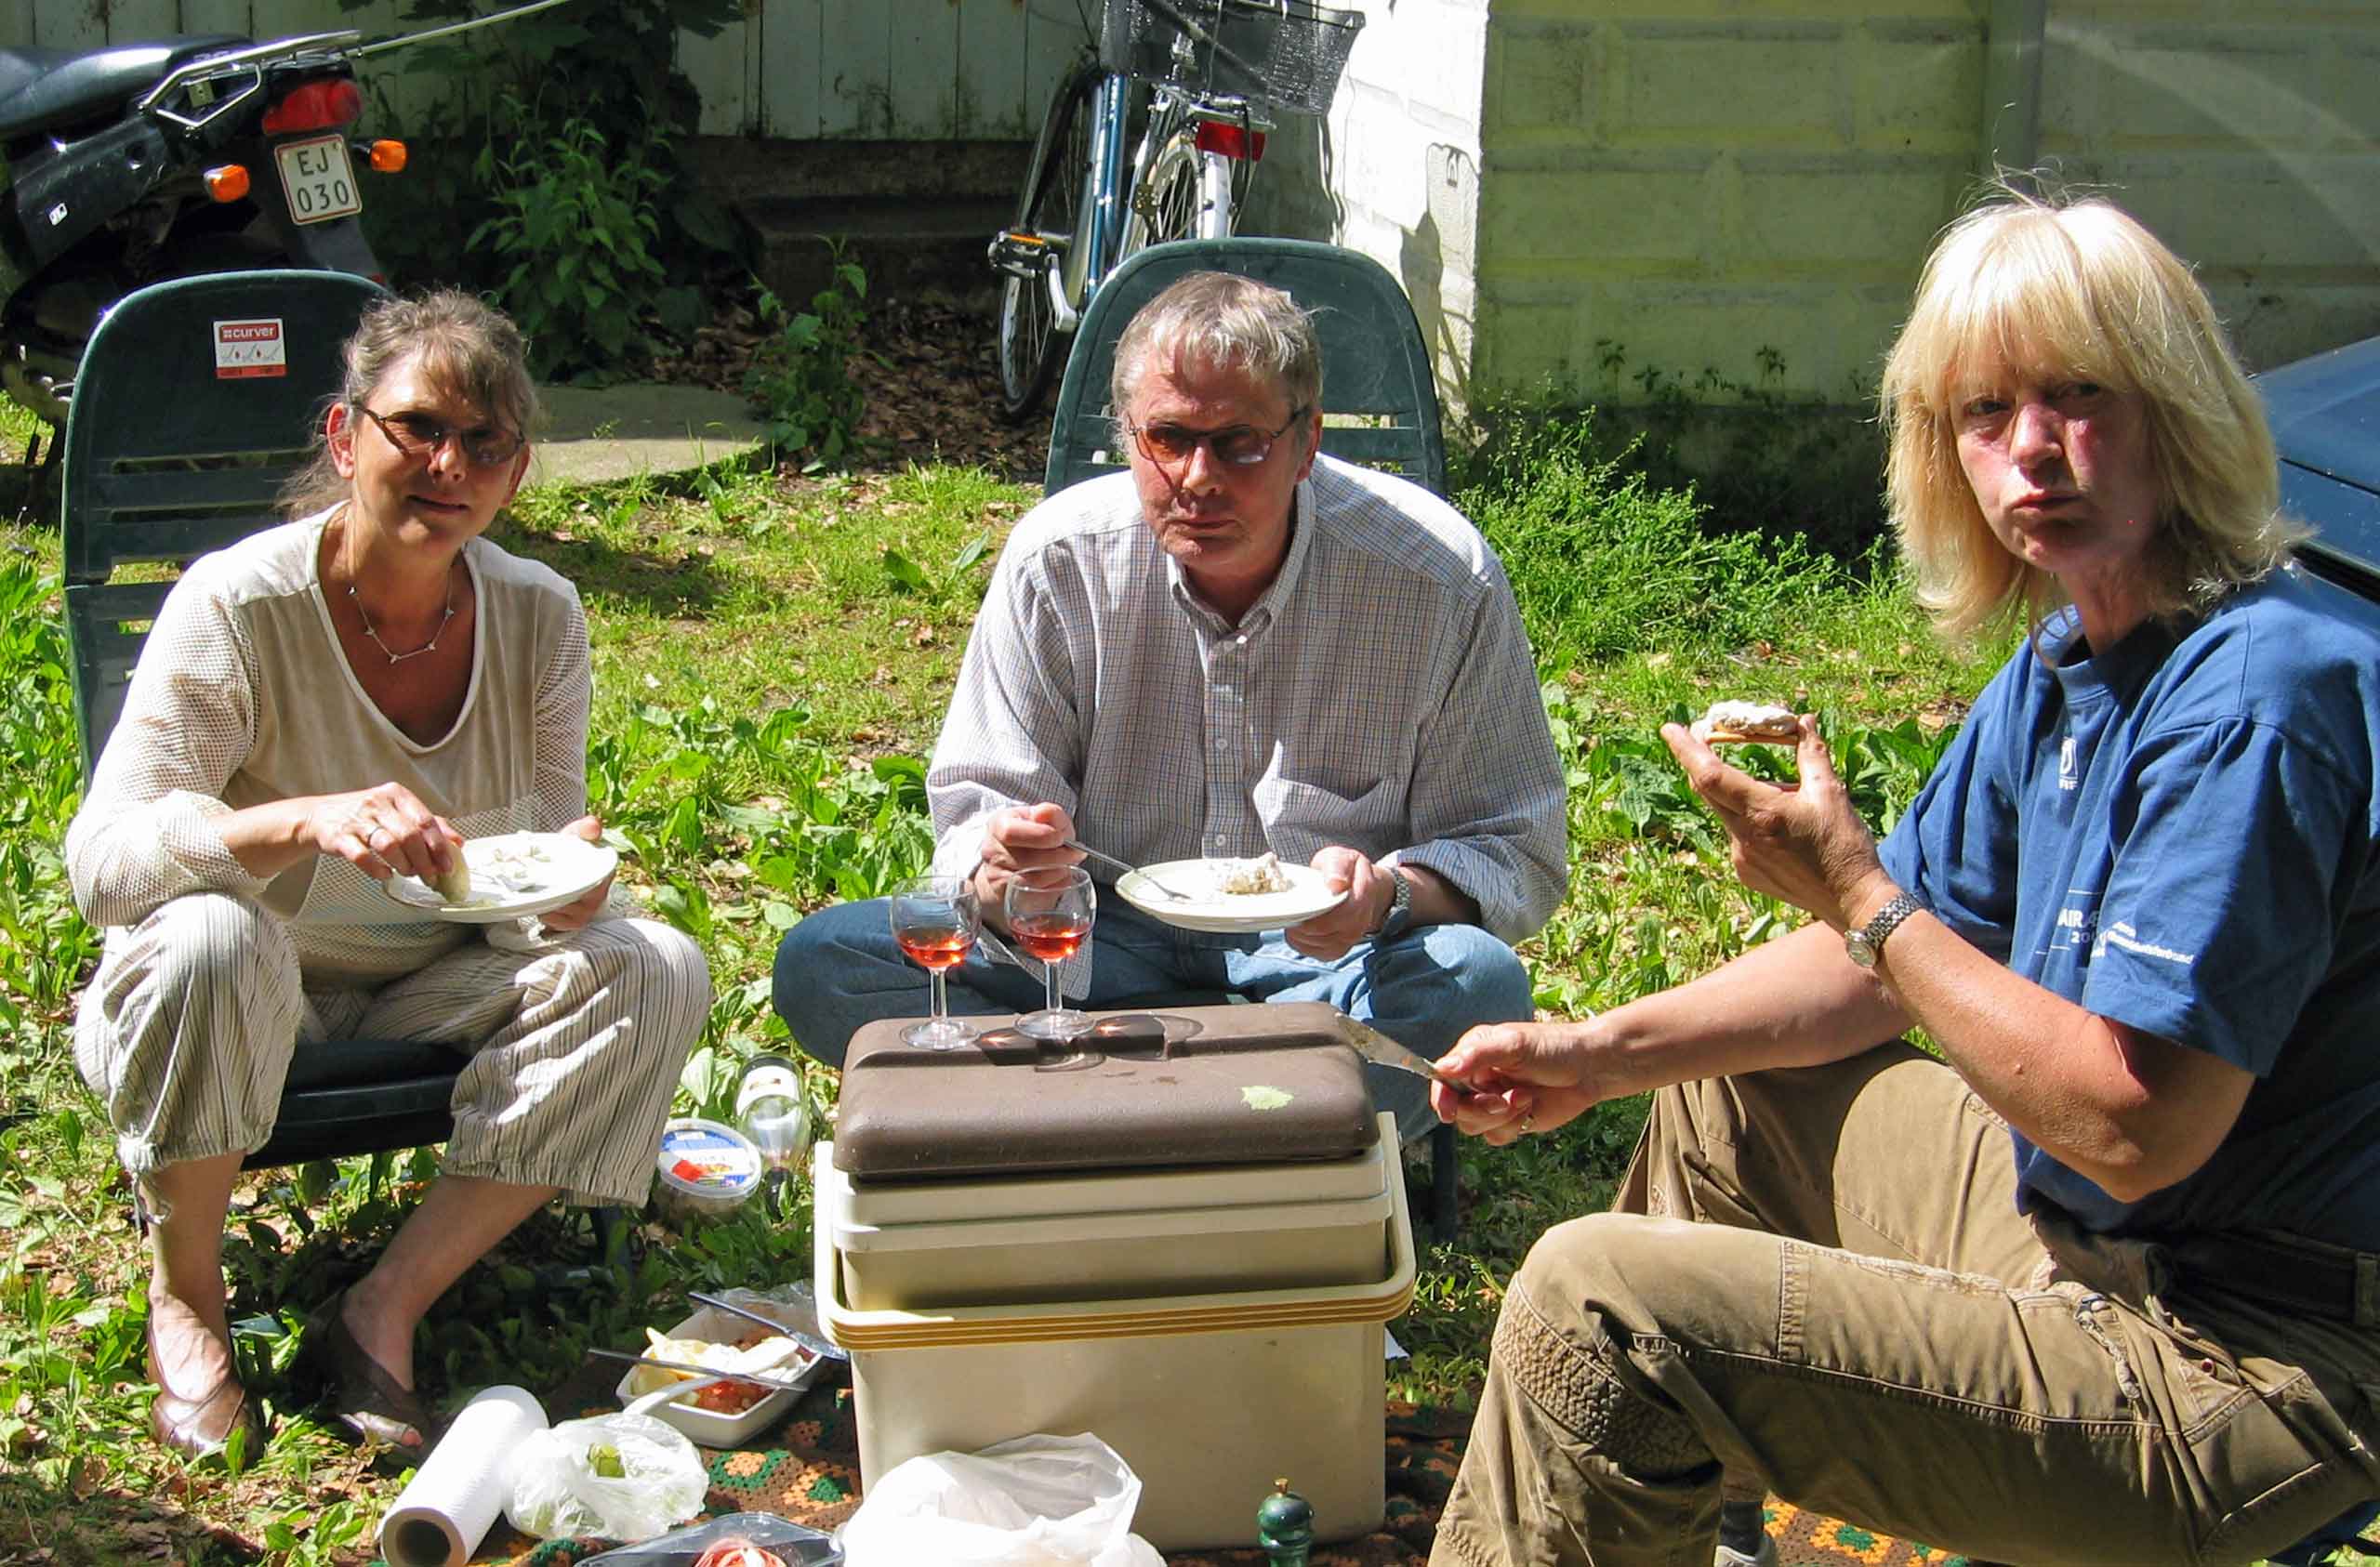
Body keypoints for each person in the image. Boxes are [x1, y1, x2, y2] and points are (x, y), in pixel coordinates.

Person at [1426, 188, 2380, 1567]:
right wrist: (1592, 1048)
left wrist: (1867, 898)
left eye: (2077, 395)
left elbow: (2132, 1121)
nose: (2030, 452)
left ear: (2177, 403)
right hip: (2089, 1247)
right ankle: (1683, 1514)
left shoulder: (2257, 698)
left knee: (1599, 1301)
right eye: (1985, 414)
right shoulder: (2073, 661)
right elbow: (1862, 979)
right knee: (1718, 1092)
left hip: (2246, 1371)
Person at [65, 291, 709, 1462]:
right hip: (247, 986)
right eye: (415, 426)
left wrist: (567, 890)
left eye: (485, 442)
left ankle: (383, 1308)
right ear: (342, 436)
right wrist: (296, 821)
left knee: (654, 964)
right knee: (214, 934)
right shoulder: (240, 604)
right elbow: (102, 867)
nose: (445, 463)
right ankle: (189, 1301)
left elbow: (540, 865)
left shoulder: (540, 618)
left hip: (432, 981)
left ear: (517, 475)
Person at [773, 270, 1566, 1139]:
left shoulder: (1435, 576)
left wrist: (1385, 898)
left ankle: (1094, 1121)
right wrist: (1003, 871)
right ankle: (1272, 1126)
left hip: (1324, 962)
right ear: (1128, 434)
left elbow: (1513, 849)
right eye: (1169, 438)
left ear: (1307, 443)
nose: (1198, 477)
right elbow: (979, 809)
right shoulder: (1059, 560)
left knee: (1477, 982)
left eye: (1239, 445)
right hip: (1092, 946)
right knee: (825, 965)